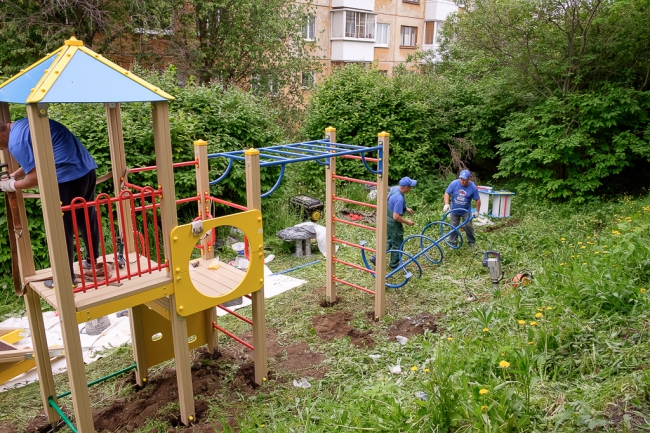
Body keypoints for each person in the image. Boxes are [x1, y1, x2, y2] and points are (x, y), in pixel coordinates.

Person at [0, 118, 100, 288]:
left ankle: (66, 279)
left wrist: (10, 185)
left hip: (68, 177)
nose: (1, 148)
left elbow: (35, 177)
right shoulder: (23, 125)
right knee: (86, 216)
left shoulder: (16, 143)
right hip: (86, 171)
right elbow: (37, 159)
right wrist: (15, 175)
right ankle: (92, 261)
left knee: (60, 227)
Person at [371, 176, 416, 270]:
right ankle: (394, 264)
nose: (411, 189)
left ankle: (375, 257)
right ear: (406, 187)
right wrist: (407, 222)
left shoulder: (395, 188)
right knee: (397, 242)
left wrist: (405, 208)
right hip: (393, 222)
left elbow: (391, 202)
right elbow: (396, 216)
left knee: (388, 239)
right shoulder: (399, 198)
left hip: (386, 218)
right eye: (410, 187)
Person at [443, 169, 481, 248]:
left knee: (469, 226)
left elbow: (477, 199)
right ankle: (452, 243)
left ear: (469, 179)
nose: (462, 181)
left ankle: (471, 243)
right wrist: (446, 204)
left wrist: (477, 211)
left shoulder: (473, 187)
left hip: (466, 211)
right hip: (454, 210)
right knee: (453, 226)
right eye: (461, 179)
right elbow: (447, 193)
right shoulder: (454, 183)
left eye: (464, 179)